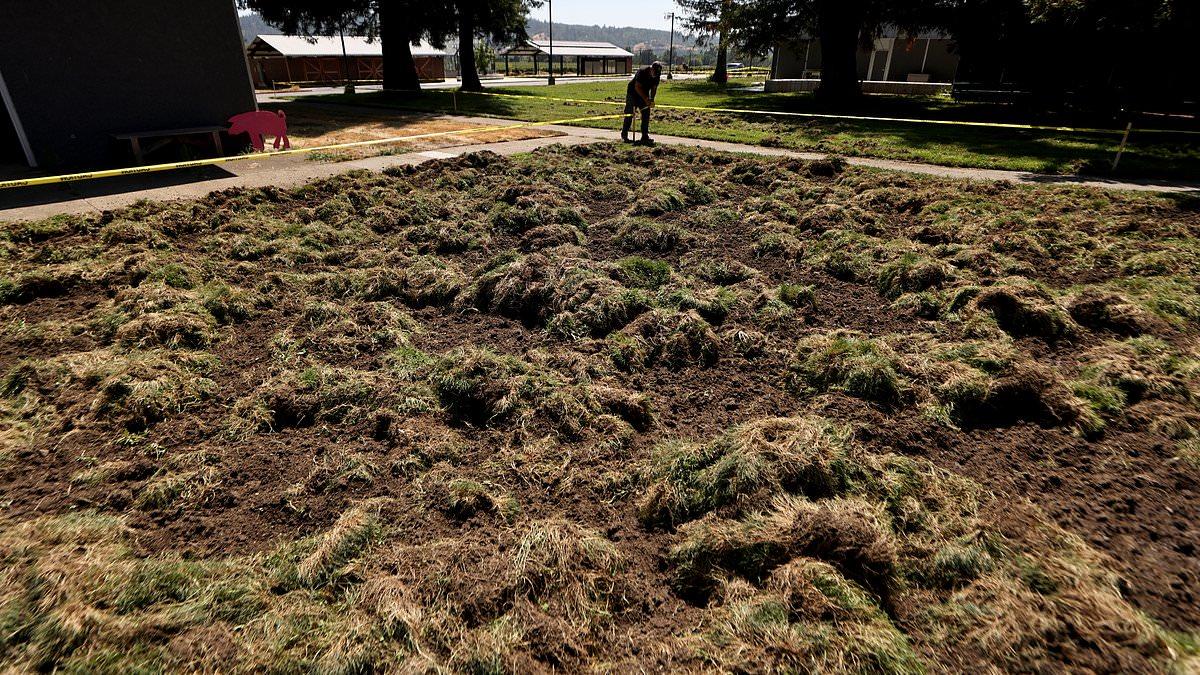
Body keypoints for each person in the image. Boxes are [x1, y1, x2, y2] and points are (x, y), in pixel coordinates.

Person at [622, 61, 663, 146]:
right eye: (654, 72)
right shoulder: (642, 71)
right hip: (633, 93)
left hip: (644, 94)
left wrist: (651, 99)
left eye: (657, 73)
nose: (655, 75)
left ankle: (644, 135)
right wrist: (646, 98)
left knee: (646, 113)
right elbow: (637, 87)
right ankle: (624, 135)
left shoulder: (657, 76)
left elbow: (654, 88)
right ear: (651, 69)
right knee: (629, 113)